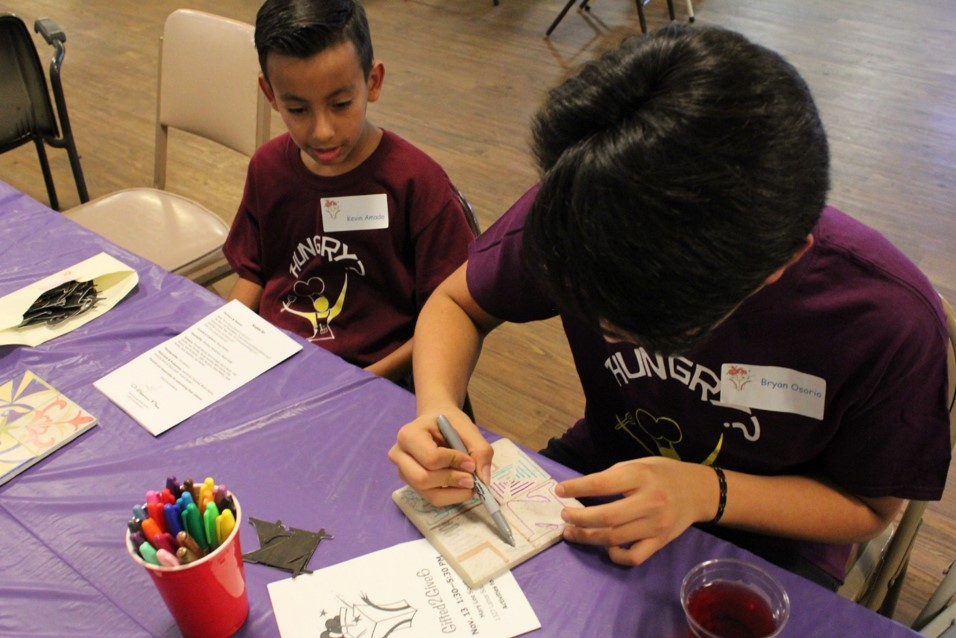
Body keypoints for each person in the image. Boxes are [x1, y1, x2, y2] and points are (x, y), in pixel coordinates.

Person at [388, 24, 951, 590]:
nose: (607, 340)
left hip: (772, 530)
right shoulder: (584, 205)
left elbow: (871, 509)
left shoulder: (885, 321)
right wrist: (438, 410)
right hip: (603, 469)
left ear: (781, 260)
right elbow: (457, 302)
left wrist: (708, 491)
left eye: (641, 328)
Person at [224, 0, 474, 384]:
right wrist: (221, 339)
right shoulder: (268, 168)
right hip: (277, 365)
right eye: (298, 109)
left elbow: (452, 316)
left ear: (372, 82)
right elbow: (254, 272)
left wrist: (361, 383)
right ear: (270, 94)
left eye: (341, 104)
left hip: (379, 377)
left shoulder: (417, 184)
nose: (322, 130)